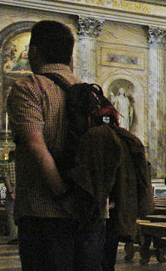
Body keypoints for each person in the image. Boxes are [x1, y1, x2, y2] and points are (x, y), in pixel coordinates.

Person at [7, 19, 107, 269]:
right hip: (89, 211)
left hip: (43, 213)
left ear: (34, 51)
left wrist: (63, 195)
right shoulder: (91, 94)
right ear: (70, 55)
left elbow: (36, 148)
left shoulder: (29, 87)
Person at [0, 150, 17, 240]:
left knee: (10, 213)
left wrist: (10, 191)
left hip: (12, 189)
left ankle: (14, 236)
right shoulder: (22, 166)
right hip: (21, 189)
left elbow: (6, 179)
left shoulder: (7, 166)